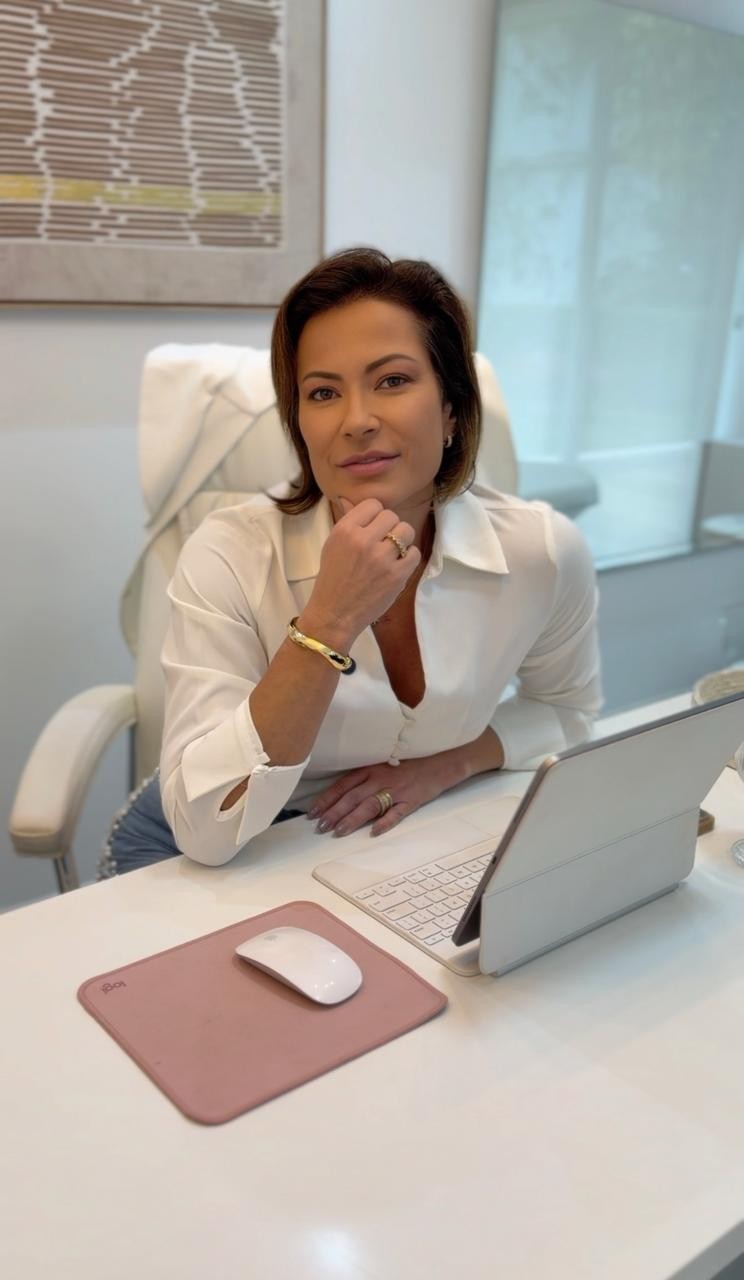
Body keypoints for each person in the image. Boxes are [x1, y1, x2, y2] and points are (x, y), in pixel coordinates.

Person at [101, 247, 602, 875]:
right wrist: (329, 621)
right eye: (323, 392)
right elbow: (206, 831)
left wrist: (442, 767)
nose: (357, 421)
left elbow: (566, 710)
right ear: (300, 425)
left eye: (392, 381)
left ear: (451, 408)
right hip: (216, 847)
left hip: (387, 842)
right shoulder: (228, 553)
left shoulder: (541, 551)